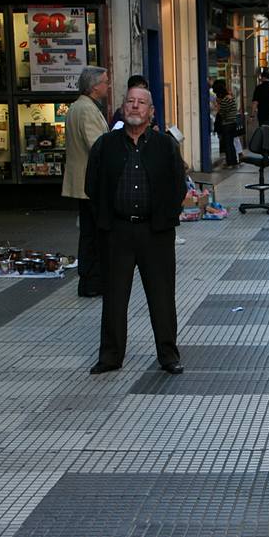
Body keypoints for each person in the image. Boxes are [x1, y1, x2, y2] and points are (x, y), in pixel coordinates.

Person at [85, 86, 188, 376]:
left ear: (150, 111)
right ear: (122, 107)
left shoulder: (164, 145)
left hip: (155, 232)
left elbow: (178, 186)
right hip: (116, 231)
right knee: (115, 297)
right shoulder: (105, 145)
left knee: (162, 296)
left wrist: (166, 217)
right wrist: (104, 220)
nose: (134, 106)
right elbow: (92, 186)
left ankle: (168, 355)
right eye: (130, 101)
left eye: (141, 102)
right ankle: (110, 356)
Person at [63, 66, 110, 297]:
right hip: (89, 182)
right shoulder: (86, 110)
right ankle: (92, 280)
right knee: (94, 233)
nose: (107, 86)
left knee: (90, 232)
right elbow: (97, 146)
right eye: (105, 82)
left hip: (83, 181)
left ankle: (91, 279)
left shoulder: (79, 106)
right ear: (93, 87)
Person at [212, 79, 239, 169]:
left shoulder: (224, 101)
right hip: (233, 123)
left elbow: (221, 113)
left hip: (227, 124)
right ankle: (234, 161)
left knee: (227, 144)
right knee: (231, 143)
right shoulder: (231, 98)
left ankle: (229, 162)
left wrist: (218, 106)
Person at [250, 70, 269, 135]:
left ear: (263, 78)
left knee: (265, 135)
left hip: (263, 116)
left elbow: (255, 102)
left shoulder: (259, 88)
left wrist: (252, 116)